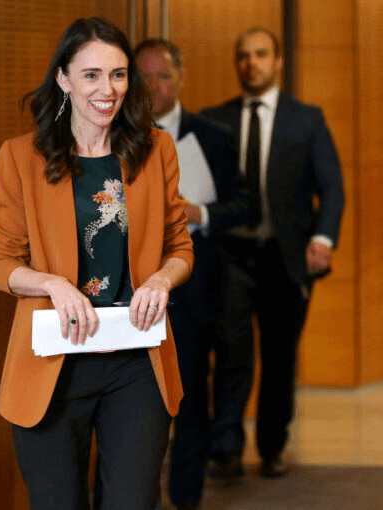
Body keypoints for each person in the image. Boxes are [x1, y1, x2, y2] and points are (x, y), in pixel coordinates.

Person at [0, 17, 193, 510]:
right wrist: (52, 284)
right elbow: (1, 262)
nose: (108, 89)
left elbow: (180, 247)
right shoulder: (20, 158)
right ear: (64, 78)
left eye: (119, 75)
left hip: (136, 363)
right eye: (92, 74)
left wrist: (163, 279)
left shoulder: (156, 150)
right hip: (52, 365)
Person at [201, 27, 345, 479]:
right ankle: (225, 446)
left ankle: (272, 447)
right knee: (230, 352)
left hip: (286, 259)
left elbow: (333, 188)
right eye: (243, 56)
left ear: (277, 61)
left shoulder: (307, 120)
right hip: (231, 256)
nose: (251, 63)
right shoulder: (213, 120)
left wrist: (323, 239)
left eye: (260, 55)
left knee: (280, 357)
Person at [134, 38, 249, 509]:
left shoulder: (213, 136)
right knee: (136, 405)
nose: (154, 86)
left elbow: (243, 205)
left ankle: (185, 499)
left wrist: (198, 213)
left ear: (181, 79)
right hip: (131, 292)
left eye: (163, 76)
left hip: (196, 292)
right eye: (143, 77)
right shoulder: (117, 134)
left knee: (190, 401)